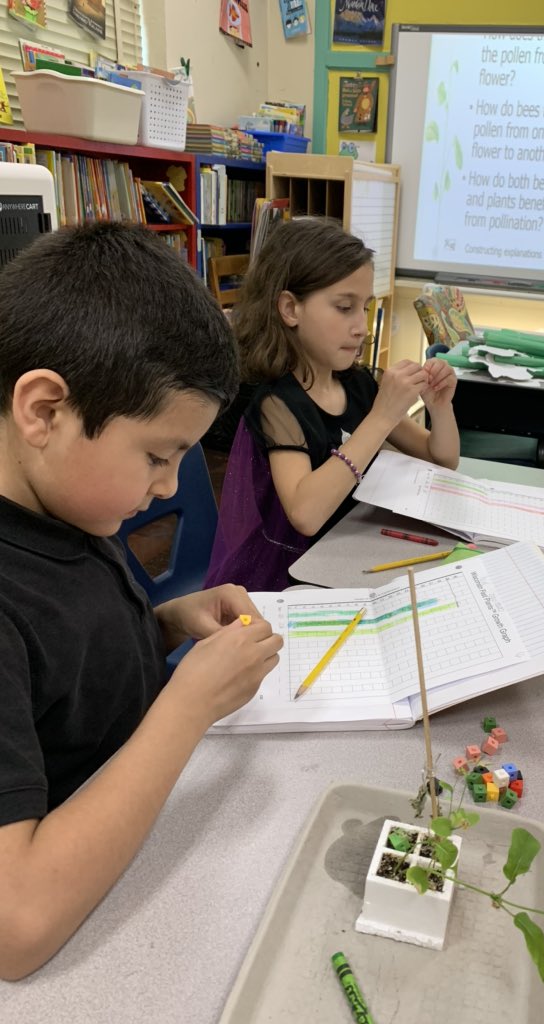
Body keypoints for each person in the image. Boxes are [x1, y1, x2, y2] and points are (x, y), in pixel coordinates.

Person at [0, 222, 283, 980]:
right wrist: (188, 706)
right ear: (44, 410)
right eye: (158, 455)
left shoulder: (66, 503)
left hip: (140, 853)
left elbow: (61, 668)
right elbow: (16, 928)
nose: (168, 486)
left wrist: (163, 628)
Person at [205, 218, 460, 592]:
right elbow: (305, 515)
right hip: (289, 574)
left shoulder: (356, 384)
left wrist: (440, 407)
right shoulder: (277, 403)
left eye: (364, 309)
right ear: (290, 309)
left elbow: (441, 460)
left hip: (344, 552)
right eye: (344, 307)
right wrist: (382, 417)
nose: (362, 327)